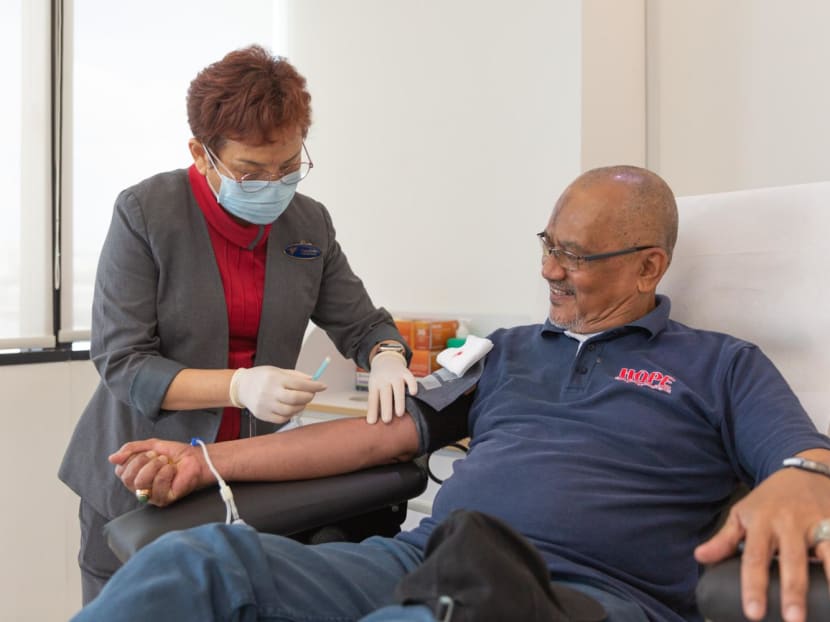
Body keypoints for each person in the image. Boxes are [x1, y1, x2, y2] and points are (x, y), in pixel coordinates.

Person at [71, 166, 830, 622]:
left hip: (586, 594)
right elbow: (376, 436)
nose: (551, 271)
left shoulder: (720, 365)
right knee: (203, 562)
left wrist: (801, 480)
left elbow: (806, 457)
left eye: (576, 255)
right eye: (548, 245)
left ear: (647, 267)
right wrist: (210, 462)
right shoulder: (506, 352)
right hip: (428, 558)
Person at [58, 44, 417, 604]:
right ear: (202, 154)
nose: (273, 183)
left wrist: (389, 355)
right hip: (146, 476)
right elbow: (122, 361)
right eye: (251, 171)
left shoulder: (308, 223)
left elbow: (363, 324)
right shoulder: (146, 213)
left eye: (289, 166)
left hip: (249, 483)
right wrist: (237, 385)